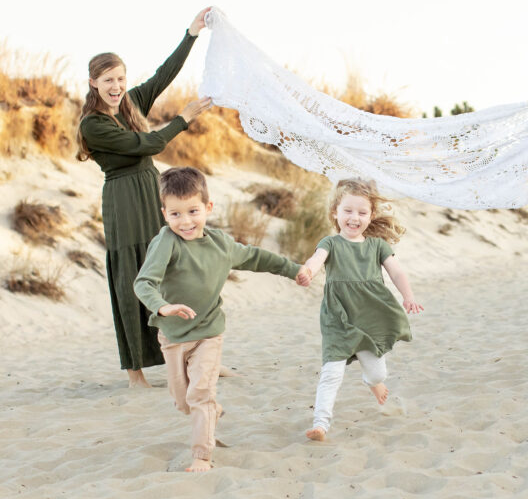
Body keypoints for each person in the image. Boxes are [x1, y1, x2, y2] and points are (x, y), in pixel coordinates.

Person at [133, 167, 311, 472]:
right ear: (164, 214)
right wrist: (162, 307)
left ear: (208, 208)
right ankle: (211, 412)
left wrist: (293, 269)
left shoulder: (220, 245)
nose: (185, 221)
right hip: (173, 335)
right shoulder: (165, 242)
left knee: (200, 393)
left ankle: (202, 455)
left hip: (208, 331)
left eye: (193, 211)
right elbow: (143, 283)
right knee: (183, 401)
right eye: (175, 214)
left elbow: (257, 257)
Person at [76, 7, 213, 388]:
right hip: (122, 199)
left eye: (120, 78)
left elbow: (163, 76)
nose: (116, 86)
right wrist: (183, 119)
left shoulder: (132, 103)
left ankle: (189, 359)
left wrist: (191, 34)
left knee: (171, 271)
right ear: (93, 83)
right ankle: (135, 371)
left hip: (150, 191)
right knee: (131, 277)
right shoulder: (94, 124)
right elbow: (147, 143)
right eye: (108, 80)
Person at [298, 178, 423, 442]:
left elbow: (397, 271)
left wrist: (408, 296)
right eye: (348, 211)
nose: (354, 217)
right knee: (332, 373)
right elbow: (316, 259)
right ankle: (320, 424)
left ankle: (372, 382)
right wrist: (308, 271)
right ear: (335, 212)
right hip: (338, 317)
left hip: (370, 317)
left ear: (371, 215)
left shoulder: (377, 246)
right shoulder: (330, 243)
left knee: (379, 373)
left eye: (362, 212)